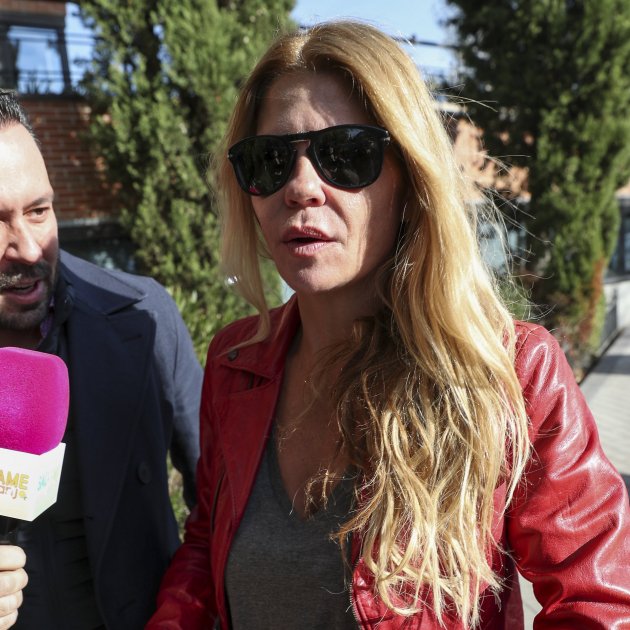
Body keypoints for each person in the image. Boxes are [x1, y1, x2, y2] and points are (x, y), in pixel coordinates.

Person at [146, 21, 630, 629]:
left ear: (410, 179)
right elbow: (205, 542)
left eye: (346, 154)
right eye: (270, 160)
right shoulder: (234, 361)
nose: (300, 187)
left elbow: (600, 604)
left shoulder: (509, 370)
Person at [0, 89, 202, 629]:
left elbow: (222, 508)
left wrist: (183, 611)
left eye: (39, 211)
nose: (27, 247)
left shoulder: (144, 315)